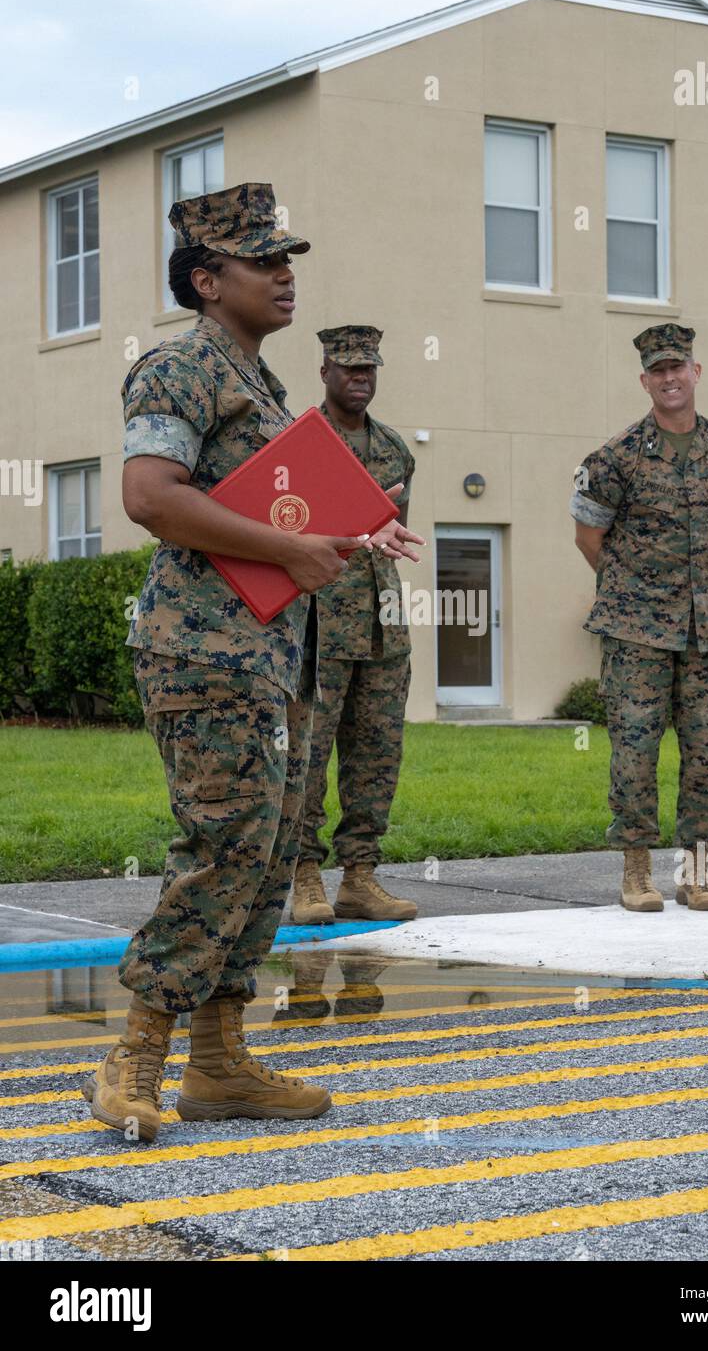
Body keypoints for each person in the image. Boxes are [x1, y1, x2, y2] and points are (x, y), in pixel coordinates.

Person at [83, 184, 422, 1142]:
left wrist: (351, 527)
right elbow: (151, 495)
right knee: (226, 845)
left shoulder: (264, 386)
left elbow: (271, 515)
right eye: (264, 260)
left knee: (270, 856)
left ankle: (220, 1062)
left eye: (289, 259)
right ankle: (133, 1056)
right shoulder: (179, 367)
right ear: (204, 278)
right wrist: (288, 550)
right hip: (203, 652)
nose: (285, 275)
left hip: (272, 655)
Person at [571, 324, 708, 913]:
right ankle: (636, 871)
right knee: (635, 748)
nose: (670, 378)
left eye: (678, 367)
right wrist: (638, 592)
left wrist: (700, 590)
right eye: (658, 371)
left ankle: (698, 873)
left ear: (696, 373)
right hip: (636, 633)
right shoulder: (616, 457)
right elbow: (588, 537)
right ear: (644, 381)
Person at [291, 326, 418, 925]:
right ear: (324, 374)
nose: (359, 378)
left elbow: (391, 537)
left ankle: (360, 878)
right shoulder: (298, 445)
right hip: (317, 628)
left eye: (368, 369)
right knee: (308, 757)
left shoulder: (395, 450)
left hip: (382, 629)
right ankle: (304, 876)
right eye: (347, 369)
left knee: (376, 757)